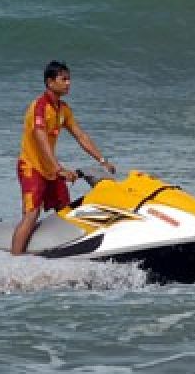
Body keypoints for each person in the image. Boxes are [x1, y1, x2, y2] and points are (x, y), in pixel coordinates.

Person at [11, 60, 116, 255]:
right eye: (63, 79)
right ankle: (14, 262)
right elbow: (40, 138)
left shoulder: (63, 109)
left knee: (65, 210)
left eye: (69, 79)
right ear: (50, 82)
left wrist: (102, 161)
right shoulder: (40, 107)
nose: (68, 83)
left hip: (51, 168)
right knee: (32, 214)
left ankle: (62, 251)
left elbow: (81, 136)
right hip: (31, 167)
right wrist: (59, 169)